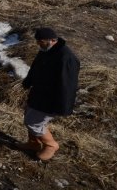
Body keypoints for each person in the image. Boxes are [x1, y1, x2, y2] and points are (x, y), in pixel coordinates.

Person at [18, 27, 80, 161]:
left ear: (53, 40)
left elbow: (68, 85)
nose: (38, 45)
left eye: (41, 42)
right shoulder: (46, 50)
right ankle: (33, 143)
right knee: (29, 114)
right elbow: (35, 67)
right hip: (39, 93)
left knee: (34, 122)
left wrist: (63, 106)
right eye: (38, 42)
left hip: (51, 99)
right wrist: (28, 82)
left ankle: (51, 145)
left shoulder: (66, 58)